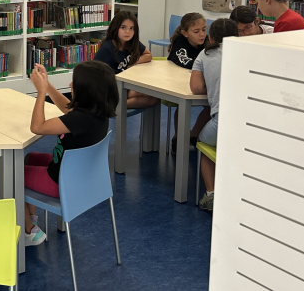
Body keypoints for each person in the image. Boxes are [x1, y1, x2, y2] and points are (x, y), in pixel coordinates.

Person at [22, 61, 119, 244]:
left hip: (59, 183)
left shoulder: (79, 119)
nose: (70, 85)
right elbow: (68, 108)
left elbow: (37, 127)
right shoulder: (95, 112)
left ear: (86, 90)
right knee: (30, 157)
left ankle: (29, 231)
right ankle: (31, 217)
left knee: (13, 175)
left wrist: (41, 92)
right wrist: (47, 84)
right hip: (79, 177)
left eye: (75, 83)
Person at [190, 19, 238, 211]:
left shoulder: (205, 54)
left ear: (211, 37)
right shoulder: (247, 53)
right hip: (247, 122)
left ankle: (211, 194)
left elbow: (196, 89)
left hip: (222, 122)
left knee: (203, 141)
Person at [94, 11, 158, 109]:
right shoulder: (107, 48)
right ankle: (111, 105)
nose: (128, 32)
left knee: (154, 98)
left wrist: (133, 62)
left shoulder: (132, 42)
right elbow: (97, 76)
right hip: (110, 87)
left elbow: (148, 55)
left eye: (132, 28)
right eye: (123, 27)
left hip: (124, 84)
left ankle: (114, 106)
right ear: (115, 28)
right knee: (149, 91)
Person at [167, 12, 210, 154]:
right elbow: (183, 61)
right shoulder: (180, 42)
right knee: (182, 105)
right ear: (185, 33)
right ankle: (178, 138)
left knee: (211, 106)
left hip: (196, 81)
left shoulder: (208, 41)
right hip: (175, 81)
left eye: (204, 29)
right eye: (196, 31)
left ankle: (193, 135)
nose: (202, 34)